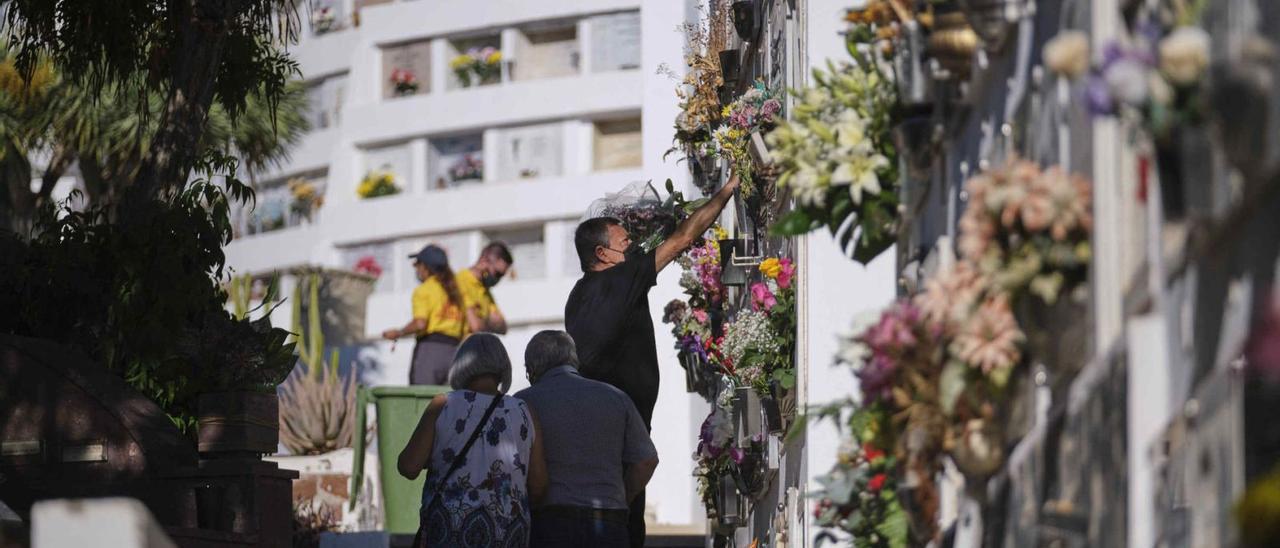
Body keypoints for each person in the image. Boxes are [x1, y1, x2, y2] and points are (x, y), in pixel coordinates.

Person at [564, 172, 740, 546]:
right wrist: (726, 191)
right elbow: (683, 239)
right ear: (603, 254)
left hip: (596, 428)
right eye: (625, 241)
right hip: (621, 432)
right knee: (622, 522)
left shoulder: (578, 295)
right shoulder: (621, 280)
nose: (633, 247)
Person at [398, 333, 549, 548]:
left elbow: (408, 466)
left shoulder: (443, 405)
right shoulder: (524, 412)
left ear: (460, 366)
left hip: (450, 532)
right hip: (506, 534)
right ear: (502, 367)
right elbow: (539, 487)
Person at [514, 331, 658, 548]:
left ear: (532, 369)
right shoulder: (616, 397)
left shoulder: (522, 402)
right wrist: (622, 498)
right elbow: (646, 461)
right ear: (574, 360)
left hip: (550, 525)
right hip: (609, 523)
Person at [381, 244, 476, 385]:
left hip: (429, 352)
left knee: (421, 400)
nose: (415, 268)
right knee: (449, 402)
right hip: (454, 352)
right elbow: (470, 328)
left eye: (417, 264)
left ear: (426, 267)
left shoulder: (424, 290)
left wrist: (399, 333)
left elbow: (420, 323)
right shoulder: (459, 292)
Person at [457, 242, 514, 334]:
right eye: (497, 273)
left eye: (501, 275)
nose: (497, 279)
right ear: (485, 260)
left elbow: (503, 327)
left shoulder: (485, 292)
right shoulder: (460, 281)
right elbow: (475, 326)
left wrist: (481, 320)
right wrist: (488, 321)